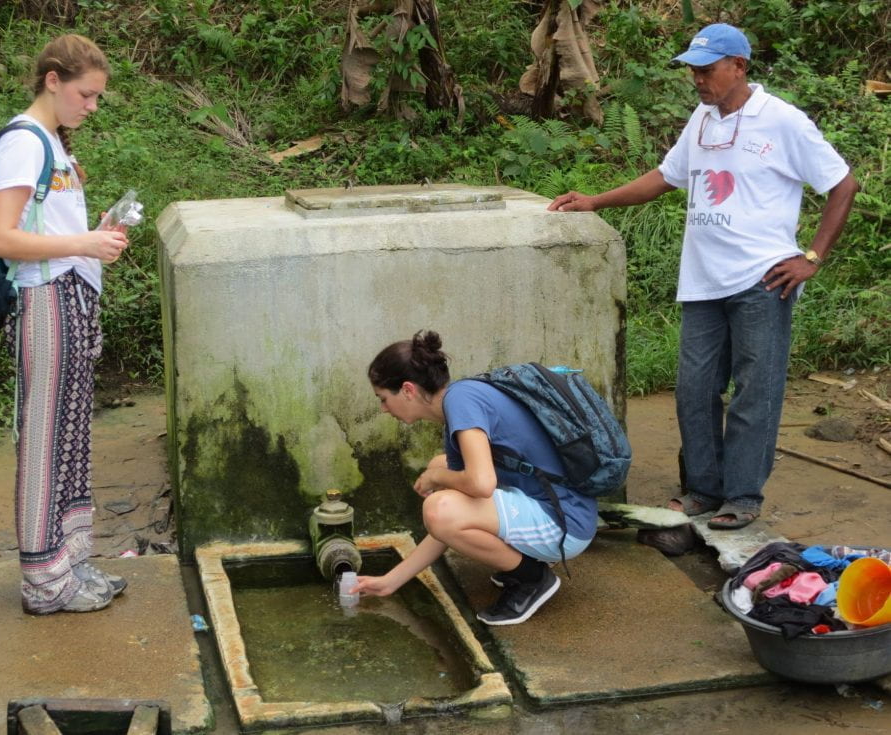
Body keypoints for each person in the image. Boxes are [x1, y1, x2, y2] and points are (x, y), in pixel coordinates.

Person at [547, 24, 858, 530]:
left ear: (739, 66)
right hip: (703, 281)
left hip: (763, 280)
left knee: (754, 391)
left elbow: (843, 183)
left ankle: (742, 496)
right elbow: (667, 176)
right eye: (692, 69)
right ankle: (701, 491)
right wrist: (594, 200)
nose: (697, 79)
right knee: (694, 389)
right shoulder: (703, 119)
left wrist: (813, 257)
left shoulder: (782, 121)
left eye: (706, 69)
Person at [0, 34, 130, 614]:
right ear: (52, 80)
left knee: (71, 438)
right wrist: (85, 242)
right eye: (86, 95)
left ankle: (68, 563)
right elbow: (0, 238)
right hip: (44, 302)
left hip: (68, 297)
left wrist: (92, 238)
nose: (91, 107)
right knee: (45, 442)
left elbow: (43, 225)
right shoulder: (23, 143)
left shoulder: (50, 144)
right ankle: (43, 584)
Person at [353, 331, 598, 625]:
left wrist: (435, 477)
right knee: (441, 481)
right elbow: (445, 527)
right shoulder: (461, 401)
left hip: (566, 524)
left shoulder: (461, 402)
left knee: (439, 500)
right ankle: (521, 564)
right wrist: (392, 581)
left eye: (383, 398)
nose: (382, 408)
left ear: (407, 390)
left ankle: (531, 579)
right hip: (555, 505)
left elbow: (480, 486)